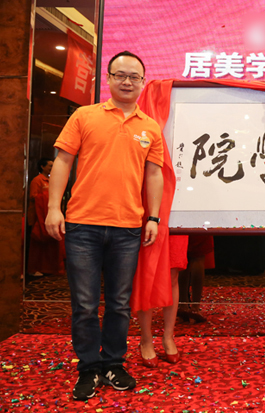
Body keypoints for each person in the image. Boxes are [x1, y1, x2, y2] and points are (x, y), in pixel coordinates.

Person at [46, 51, 164, 401]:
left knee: (119, 303)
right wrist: (54, 208)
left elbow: (154, 174)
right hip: (83, 225)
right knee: (84, 304)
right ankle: (88, 367)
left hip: (128, 227)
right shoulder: (85, 116)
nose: (127, 82)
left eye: (134, 77)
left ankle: (113, 362)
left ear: (143, 82)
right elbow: (63, 161)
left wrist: (153, 216)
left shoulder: (150, 126)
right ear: (108, 79)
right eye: (120, 75)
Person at [135, 235, 188, 367]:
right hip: (150, 224)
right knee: (147, 272)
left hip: (175, 224)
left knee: (173, 273)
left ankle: (168, 337)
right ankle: (146, 339)